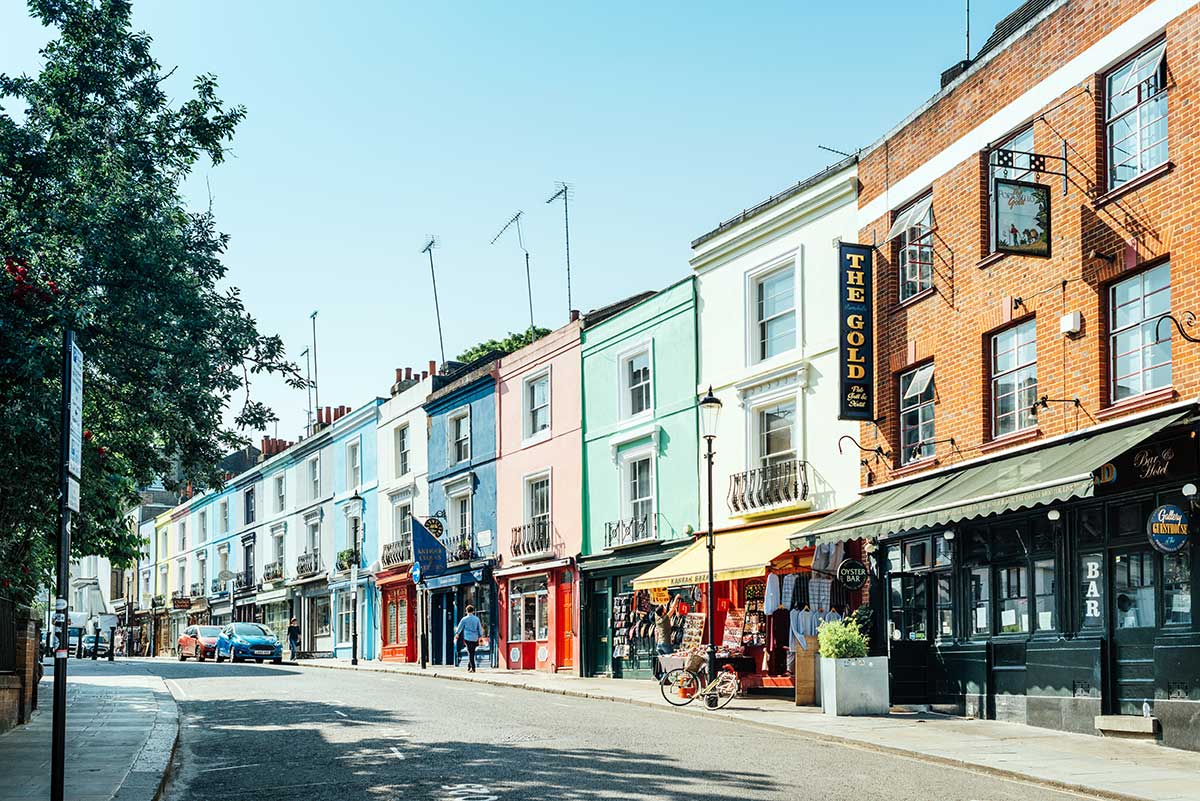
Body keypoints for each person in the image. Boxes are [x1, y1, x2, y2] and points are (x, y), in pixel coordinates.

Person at [454, 605, 483, 672]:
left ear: (466, 611)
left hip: (468, 638)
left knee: (470, 653)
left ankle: (473, 668)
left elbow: (460, 627)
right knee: (472, 652)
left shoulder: (464, 619)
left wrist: (457, 634)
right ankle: (469, 667)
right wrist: (480, 636)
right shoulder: (477, 619)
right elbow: (479, 628)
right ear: (473, 611)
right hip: (475, 638)